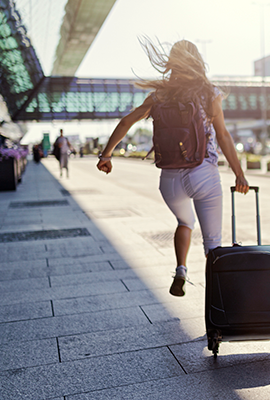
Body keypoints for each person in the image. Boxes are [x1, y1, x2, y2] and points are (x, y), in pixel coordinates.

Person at [96, 39, 249, 297]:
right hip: (203, 173)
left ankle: (180, 269)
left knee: (184, 221)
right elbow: (222, 135)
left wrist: (106, 155)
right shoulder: (209, 92)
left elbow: (125, 122)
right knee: (213, 245)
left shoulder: (158, 95)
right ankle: (219, 306)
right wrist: (239, 173)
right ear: (197, 61)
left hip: (170, 180)